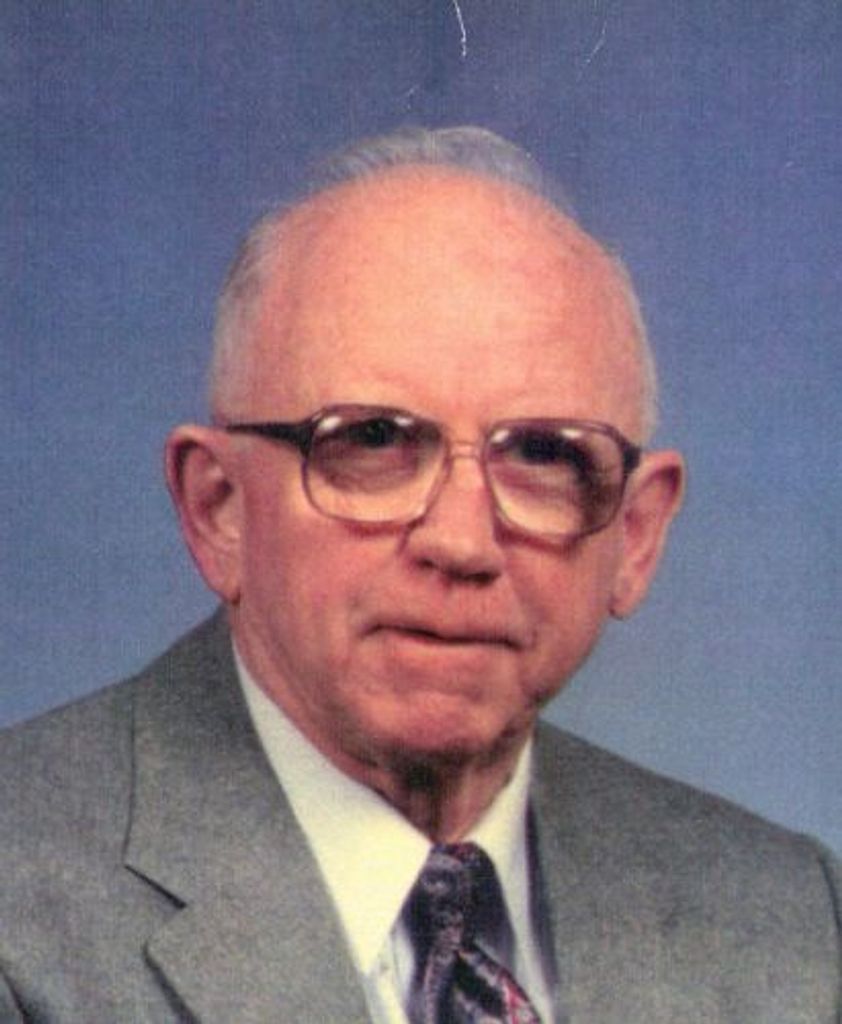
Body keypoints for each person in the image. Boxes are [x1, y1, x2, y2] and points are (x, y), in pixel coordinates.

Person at [0, 127, 839, 1024]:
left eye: (544, 456)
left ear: (635, 537)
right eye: (372, 442)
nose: (462, 541)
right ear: (219, 509)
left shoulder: (796, 924)